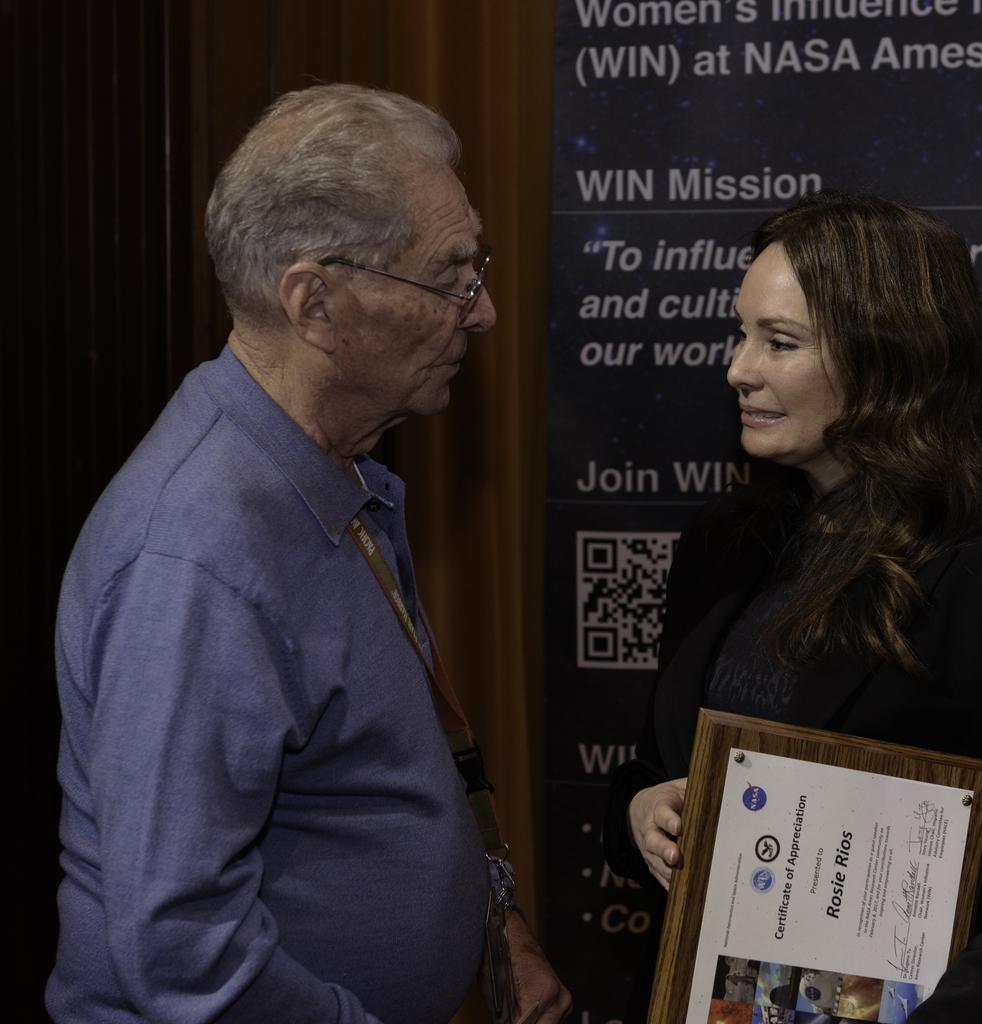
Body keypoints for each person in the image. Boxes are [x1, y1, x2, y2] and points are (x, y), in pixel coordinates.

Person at [48, 84, 571, 1024]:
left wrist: (494, 925)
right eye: (451, 275)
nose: (483, 310)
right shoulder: (197, 552)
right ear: (316, 302)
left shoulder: (334, 472)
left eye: (476, 264)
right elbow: (183, 952)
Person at [603, 191, 982, 1022]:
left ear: (888, 358)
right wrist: (638, 811)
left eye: (779, 342)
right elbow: (648, 770)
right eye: (742, 334)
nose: (738, 367)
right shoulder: (723, 540)